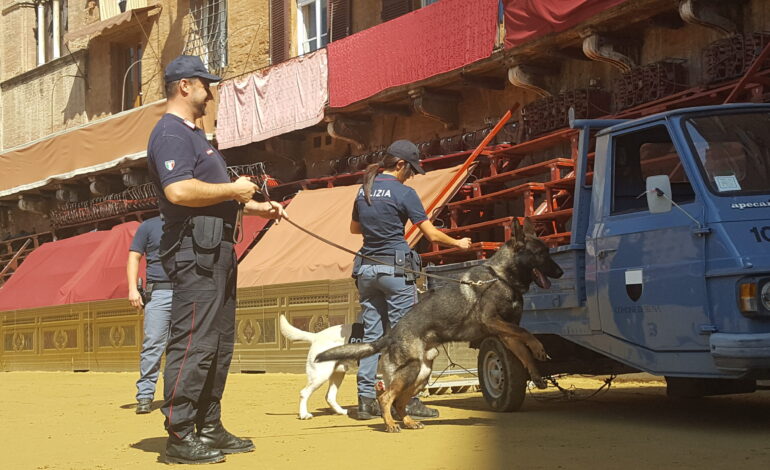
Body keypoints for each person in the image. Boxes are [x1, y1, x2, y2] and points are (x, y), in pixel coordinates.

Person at [146, 55, 286, 465]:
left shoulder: (194, 135)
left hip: (214, 249)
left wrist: (256, 207)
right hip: (194, 252)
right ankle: (180, 434)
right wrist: (232, 189)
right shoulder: (171, 133)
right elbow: (178, 193)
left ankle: (208, 425)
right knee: (194, 342)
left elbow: (210, 196)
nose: (211, 94)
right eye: (206, 86)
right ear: (185, 86)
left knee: (219, 343)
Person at [350, 139, 472, 420]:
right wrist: (459, 243)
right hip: (395, 270)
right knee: (406, 337)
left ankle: (365, 400)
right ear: (401, 164)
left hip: (367, 270)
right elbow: (431, 235)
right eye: (411, 169)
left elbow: (355, 228)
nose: (412, 175)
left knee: (372, 336)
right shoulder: (404, 193)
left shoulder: (362, 189)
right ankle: (408, 399)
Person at [127, 215, 172, 415]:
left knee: (182, 347)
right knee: (153, 343)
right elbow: (134, 256)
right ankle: (145, 394)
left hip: (188, 290)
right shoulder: (148, 226)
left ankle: (175, 394)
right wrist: (132, 289)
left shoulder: (189, 221)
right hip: (159, 291)